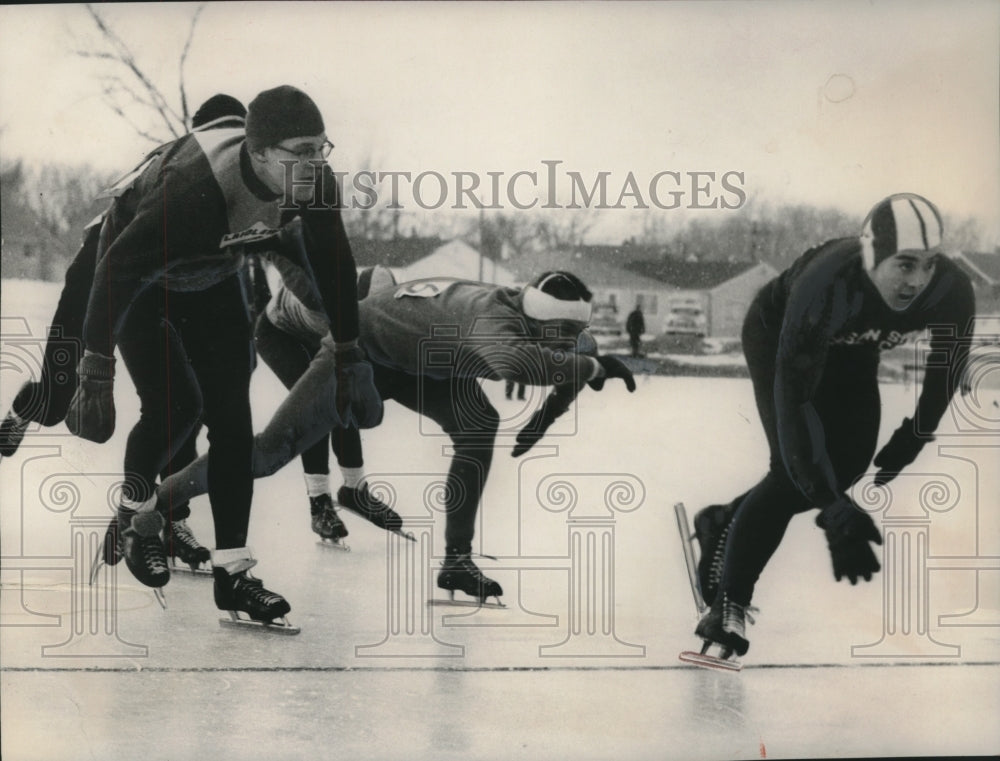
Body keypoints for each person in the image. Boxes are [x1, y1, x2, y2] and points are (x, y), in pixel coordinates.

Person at [66, 85, 381, 627]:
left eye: (319, 149)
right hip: (142, 281)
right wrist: (96, 367)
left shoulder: (313, 181)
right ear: (257, 153)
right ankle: (137, 514)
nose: (312, 164)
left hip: (212, 277)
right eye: (298, 152)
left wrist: (349, 351)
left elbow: (333, 259)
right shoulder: (192, 188)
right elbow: (114, 268)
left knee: (234, 424)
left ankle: (233, 574)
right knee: (173, 406)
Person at [154, 271, 636, 604]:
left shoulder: (556, 323)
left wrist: (546, 418)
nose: (561, 346)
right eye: (552, 336)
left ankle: (457, 561)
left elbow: (574, 364)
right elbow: (522, 365)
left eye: (570, 338)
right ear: (532, 319)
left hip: (424, 357)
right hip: (362, 351)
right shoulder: (494, 320)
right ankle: (155, 503)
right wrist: (588, 368)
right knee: (268, 453)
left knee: (478, 426)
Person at [690, 193, 975, 660]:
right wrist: (834, 517)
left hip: (853, 350)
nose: (917, 281)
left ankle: (724, 520)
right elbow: (795, 403)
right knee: (791, 470)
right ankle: (728, 605)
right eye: (904, 265)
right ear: (872, 255)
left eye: (928, 265)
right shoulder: (827, 283)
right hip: (778, 333)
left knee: (846, 468)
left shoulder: (952, 290)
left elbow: (947, 370)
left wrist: (915, 435)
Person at [0, 94, 251, 572]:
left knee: (185, 401)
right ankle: (23, 411)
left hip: (164, 285)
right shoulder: (183, 175)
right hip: (100, 272)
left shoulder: (228, 187)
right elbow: (112, 267)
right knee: (59, 400)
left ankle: (165, 515)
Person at [253, 263, 403, 545]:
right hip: (280, 334)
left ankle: (355, 490)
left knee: (341, 399)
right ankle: (319, 502)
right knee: (318, 409)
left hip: (317, 333)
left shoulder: (381, 290)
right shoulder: (328, 308)